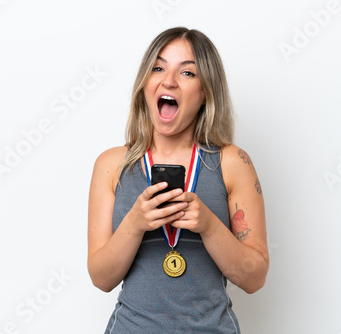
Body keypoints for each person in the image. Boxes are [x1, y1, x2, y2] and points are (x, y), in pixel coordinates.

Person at [87, 27, 269, 333]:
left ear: (206, 92)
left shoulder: (232, 162)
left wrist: (209, 226)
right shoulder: (112, 165)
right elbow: (101, 279)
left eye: (187, 73)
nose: (168, 80)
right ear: (145, 85)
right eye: (158, 68)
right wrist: (134, 224)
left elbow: (254, 279)